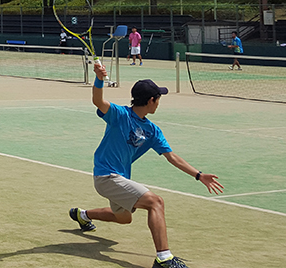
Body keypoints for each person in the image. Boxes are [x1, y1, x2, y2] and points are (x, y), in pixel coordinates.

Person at [69, 64, 222, 268]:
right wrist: (98, 78)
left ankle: (82, 215)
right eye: (158, 98)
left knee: (123, 218)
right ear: (151, 100)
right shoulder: (120, 115)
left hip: (119, 178)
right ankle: (164, 258)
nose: (159, 103)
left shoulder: (152, 130)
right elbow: (98, 101)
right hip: (106, 176)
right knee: (155, 202)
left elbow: (172, 157)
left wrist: (198, 175)